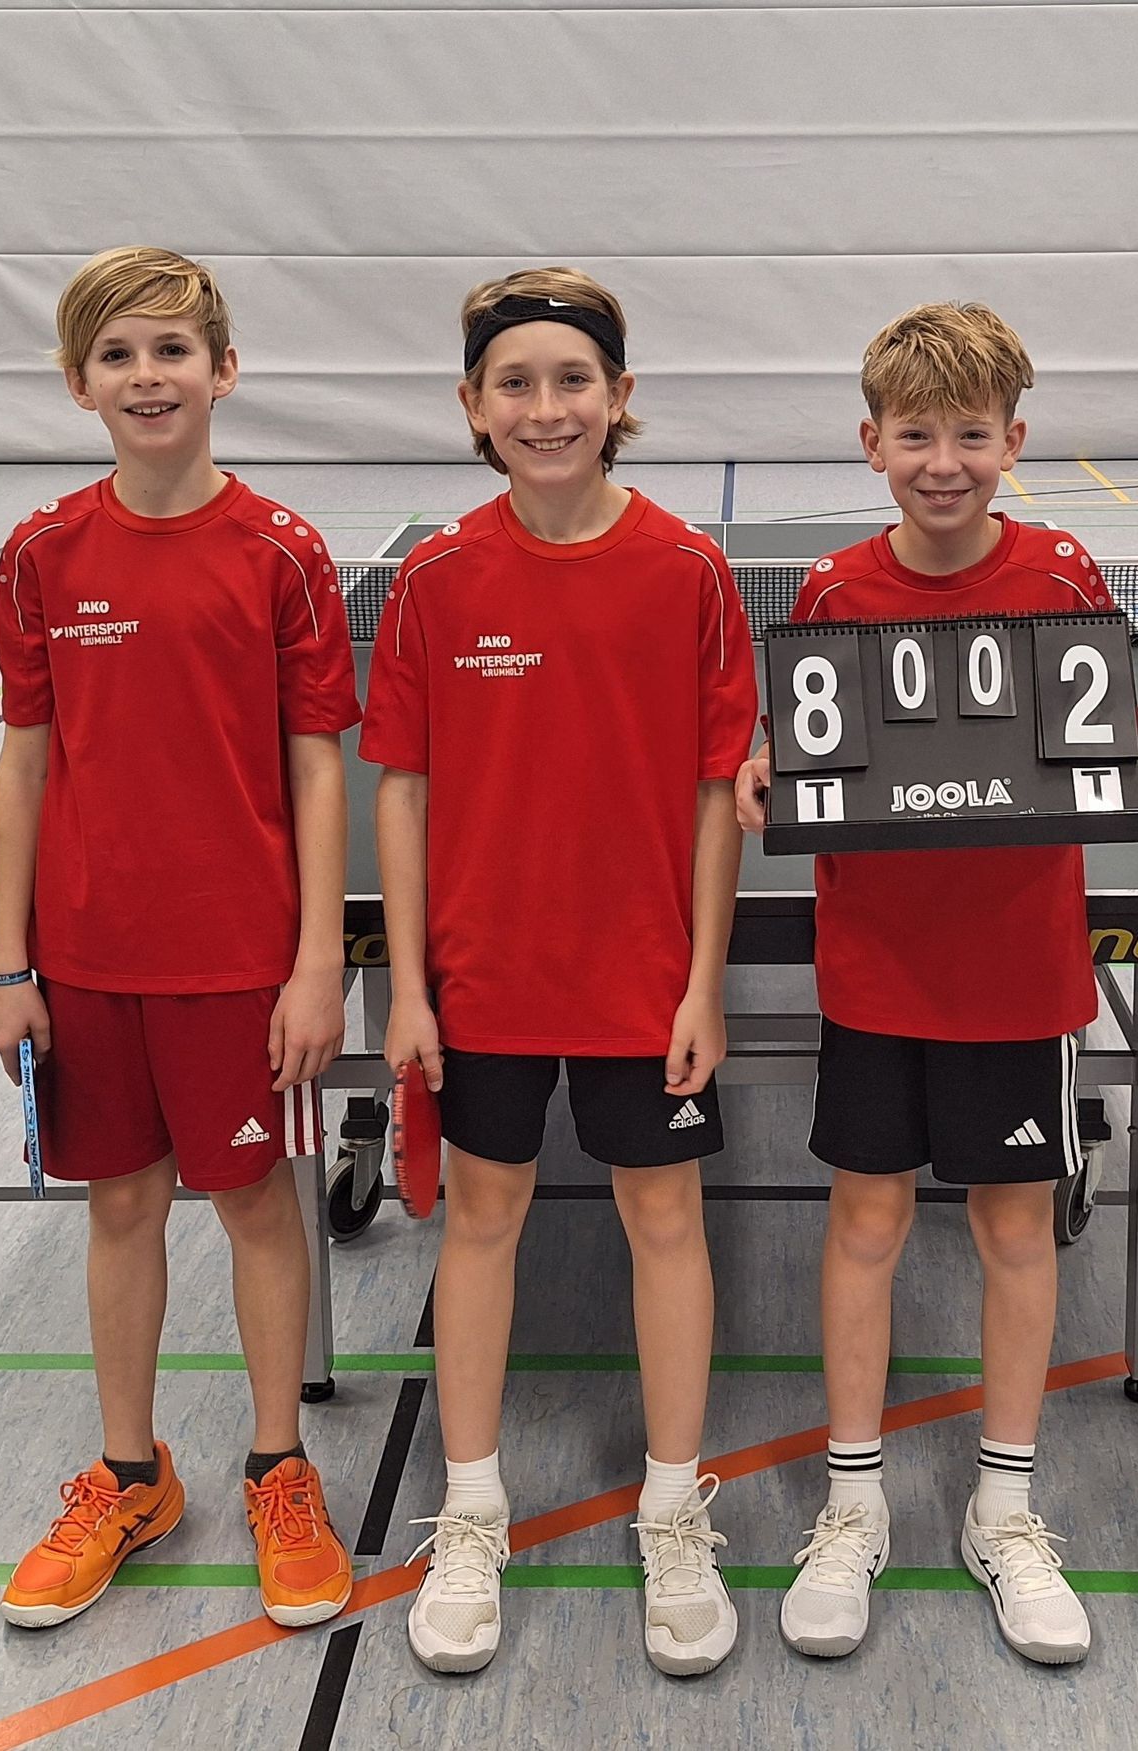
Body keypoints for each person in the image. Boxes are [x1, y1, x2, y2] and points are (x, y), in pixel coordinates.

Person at [738, 302, 1138, 1666]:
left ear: (1013, 441)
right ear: (871, 443)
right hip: (875, 972)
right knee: (864, 1221)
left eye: (971, 435)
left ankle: (1006, 1506)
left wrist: (1130, 772)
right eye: (915, 434)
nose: (943, 462)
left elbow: (1113, 742)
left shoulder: (1062, 572)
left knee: (1014, 1230)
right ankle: (853, 1501)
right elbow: (796, 748)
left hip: (1017, 974)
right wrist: (763, 772)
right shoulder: (832, 594)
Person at [365, 267, 756, 1677]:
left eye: (573, 380)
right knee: (482, 1220)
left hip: (643, 979)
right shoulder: (436, 581)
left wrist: (703, 980)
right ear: (474, 407)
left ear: (620, 396)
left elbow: (716, 792)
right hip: (485, 981)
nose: (547, 408)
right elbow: (401, 789)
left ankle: (673, 1505)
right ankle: (472, 1512)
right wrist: (411, 988)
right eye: (516, 384)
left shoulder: (688, 573)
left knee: (666, 1220)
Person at [0, 246, 358, 1631]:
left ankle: (278, 1466)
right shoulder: (41, 554)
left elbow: (319, 769)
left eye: (173, 351)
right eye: (119, 355)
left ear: (224, 370)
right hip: (86, 960)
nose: (149, 377)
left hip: (239, 964)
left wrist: (315, 961)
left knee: (258, 1207)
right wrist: (6, 964)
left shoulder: (284, 553)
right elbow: (27, 763)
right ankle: (132, 1475)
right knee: (120, 1207)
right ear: (79, 383)